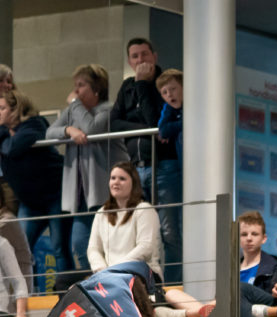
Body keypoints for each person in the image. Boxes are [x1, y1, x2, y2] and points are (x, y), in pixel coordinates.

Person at [0, 89, 70, 274]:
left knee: (59, 247)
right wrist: (2, 132)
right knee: (21, 249)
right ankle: (25, 293)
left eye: (2, 108)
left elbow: (13, 148)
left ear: (15, 110)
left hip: (54, 196)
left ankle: (66, 291)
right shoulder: (4, 129)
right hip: (29, 201)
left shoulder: (35, 124)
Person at [110, 37, 181, 279]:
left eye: (144, 54)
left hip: (164, 166)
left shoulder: (164, 84)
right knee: (141, 232)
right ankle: (148, 283)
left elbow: (154, 120)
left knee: (169, 231)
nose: (141, 60)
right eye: (135, 56)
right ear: (129, 61)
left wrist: (143, 85)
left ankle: (174, 285)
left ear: (155, 56)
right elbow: (114, 122)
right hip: (137, 169)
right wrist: (139, 125)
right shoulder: (126, 86)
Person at [48, 63, 127, 274]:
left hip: (105, 194)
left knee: (109, 248)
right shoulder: (73, 113)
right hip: (82, 195)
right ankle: (95, 286)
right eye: (75, 86)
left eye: (81, 85)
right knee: (81, 245)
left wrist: (74, 104)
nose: (75, 91)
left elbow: (92, 128)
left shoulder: (108, 110)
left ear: (96, 89)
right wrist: (68, 129)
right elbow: (48, 133)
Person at [87, 161, 163, 286]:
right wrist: (101, 269)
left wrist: (116, 269)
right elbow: (93, 248)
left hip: (140, 272)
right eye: (113, 178)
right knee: (64, 281)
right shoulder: (102, 212)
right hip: (109, 274)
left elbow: (145, 247)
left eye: (122, 179)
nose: (116, 182)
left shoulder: (144, 209)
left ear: (133, 184)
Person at [156, 69, 184, 157]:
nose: (169, 94)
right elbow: (163, 130)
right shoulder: (168, 107)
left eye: (173, 89)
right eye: (164, 92)